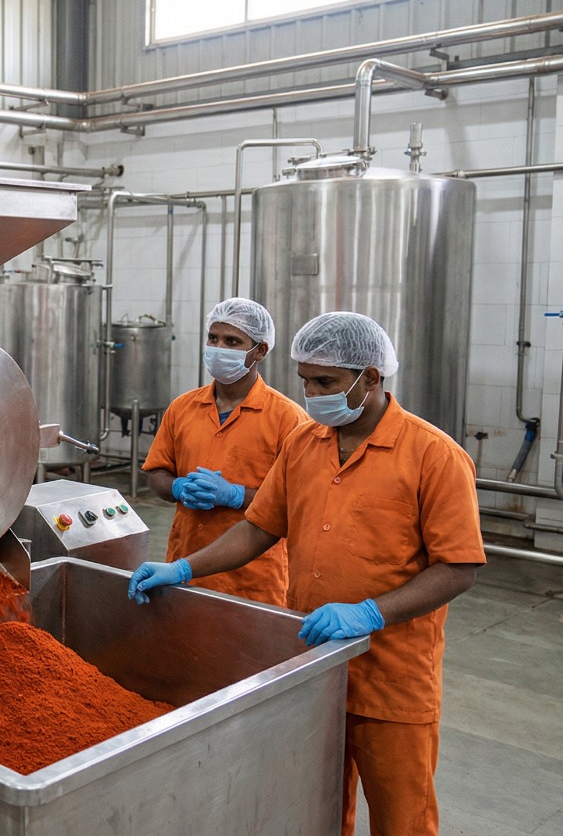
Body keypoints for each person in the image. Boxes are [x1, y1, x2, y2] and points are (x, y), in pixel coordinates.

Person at [127, 312, 485, 836]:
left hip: (391, 679)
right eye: (306, 381)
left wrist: (370, 612)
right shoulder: (305, 444)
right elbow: (259, 529)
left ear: (370, 377)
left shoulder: (433, 456)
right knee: (315, 809)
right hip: (312, 663)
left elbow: (458, 566)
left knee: (402, 819)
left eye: (325, 382)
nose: (312, 394)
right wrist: (184, 567)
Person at [140, 298, 307, 605]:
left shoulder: (288, 419)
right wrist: (177, 487)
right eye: (213, 338)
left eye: (232, 341)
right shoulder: (183, 408)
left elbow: (298, 502)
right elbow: (157, 472)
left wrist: (236, 495)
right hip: (182, 567)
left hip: (252, 579)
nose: (219, 348)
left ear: (260, 350)